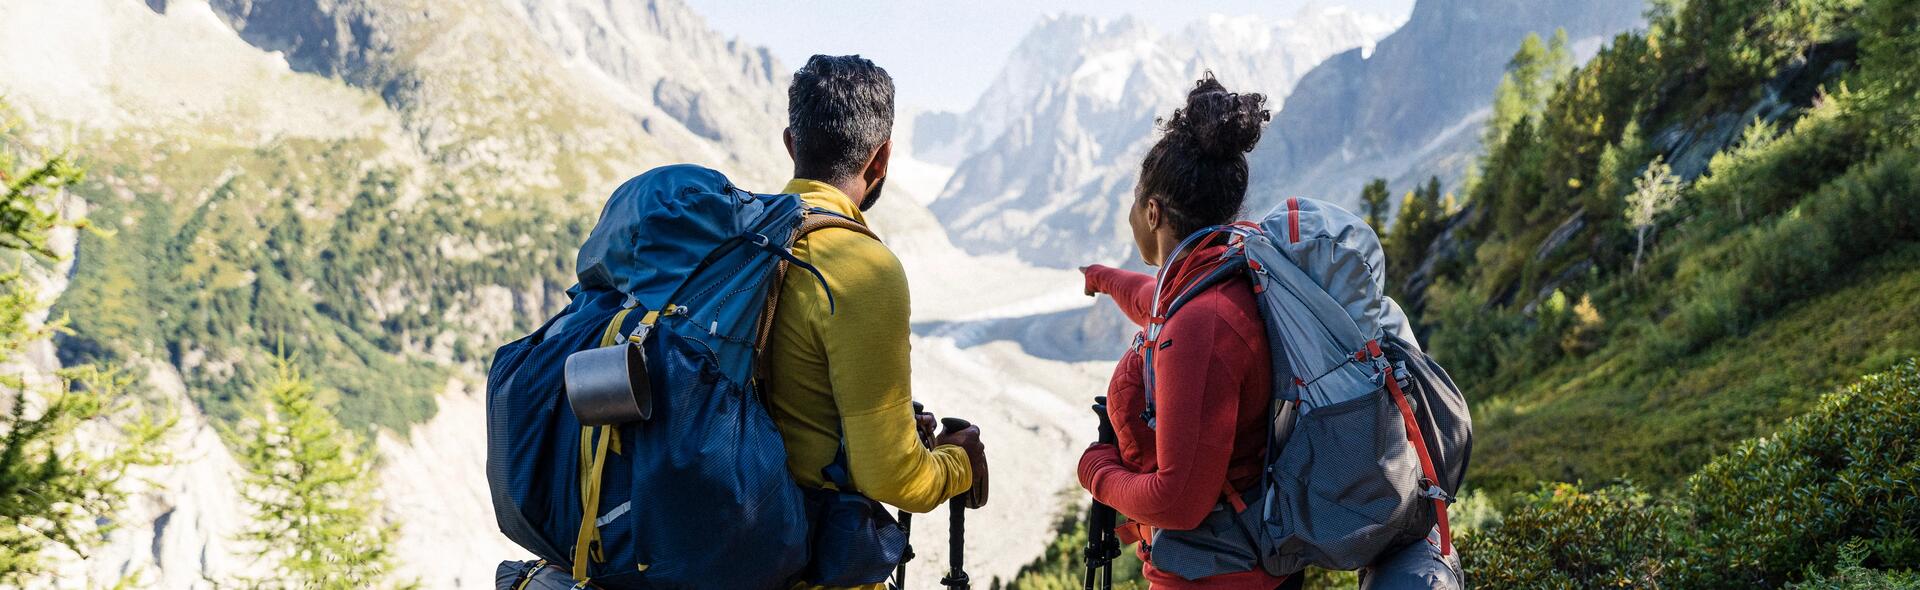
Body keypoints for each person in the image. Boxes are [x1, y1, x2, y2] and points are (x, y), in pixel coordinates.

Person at [764, 54, 989, 589]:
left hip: (713, 552)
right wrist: (961, 462)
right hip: (803, 568)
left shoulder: (743, 239)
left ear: (791, 143)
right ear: (882, 156)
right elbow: (893, 476)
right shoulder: (862, 268)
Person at [1076, 74, 1285, 589]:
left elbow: (1178, 501)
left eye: (1134, 203)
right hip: (1241, 561)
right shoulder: (1219, 279)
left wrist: (1095, 471)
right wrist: (1101, 278)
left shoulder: (1201, 324)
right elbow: (1152, 302)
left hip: (1214, 573)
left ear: (1153, 212)